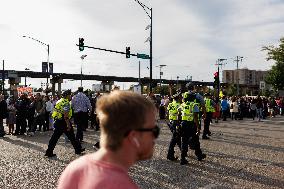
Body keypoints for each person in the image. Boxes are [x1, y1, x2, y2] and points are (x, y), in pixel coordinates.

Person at [57, 91, 159, 189]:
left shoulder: (74, 169)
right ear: (133, 137)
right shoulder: (122, 185)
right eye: (154, 131)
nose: (155, 138)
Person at [45, 90, 84, 157]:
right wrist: (68, 125)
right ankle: (78, 150)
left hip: (58, 121)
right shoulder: (66, 103)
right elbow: (66, 115)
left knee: (54, 138)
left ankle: (49, 152)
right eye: (70, 95)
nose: (71, 96)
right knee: (72, 137)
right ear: (67, 95)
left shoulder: (59, 101)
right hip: (64, 122)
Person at [178, 92, 206, 165]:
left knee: (184, 141)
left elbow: (179, 113)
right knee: (196, 140)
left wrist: (180, 122)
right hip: (192, 125)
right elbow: (195, 117)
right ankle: (199, 155)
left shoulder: (182, 105)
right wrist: (198, 127)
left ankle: (182, 158)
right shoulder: (194, 105)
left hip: (184, 124)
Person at [166, 93, 181, 161]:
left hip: (171, 122)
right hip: (176, 123)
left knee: (177, 137)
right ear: (178, 98)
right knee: (174, 139)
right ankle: (170, 155)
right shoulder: (178, 105)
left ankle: (183, 150)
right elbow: (180, 115)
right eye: (180, 97)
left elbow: (167, 113)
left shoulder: (170, 104)